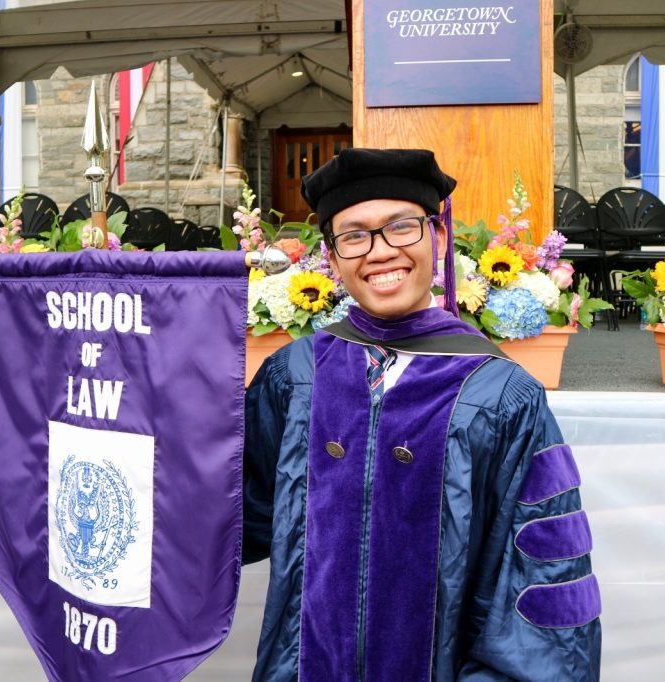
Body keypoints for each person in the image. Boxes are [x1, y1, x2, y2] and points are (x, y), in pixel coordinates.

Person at [243, 148, 601, 681]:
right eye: (354, 236)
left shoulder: (501, 394)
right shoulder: (295, 375)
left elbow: (541, 578)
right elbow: (228, 519)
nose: (380, 251)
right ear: (332, 258)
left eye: (401, 227)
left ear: (437, 235)